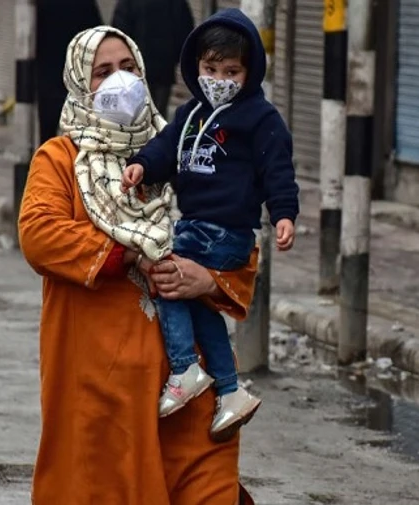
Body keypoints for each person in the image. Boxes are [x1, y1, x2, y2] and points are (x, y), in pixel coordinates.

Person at [19, 25, 258, 504]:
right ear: (79, 84)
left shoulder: (186, 150)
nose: (120, 80)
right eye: (102, 72)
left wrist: (205, 279)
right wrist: (131, 252)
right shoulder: (60, 160)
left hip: (192, 389)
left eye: (128, 68)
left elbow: (234, 234)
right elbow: (39, 235)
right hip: (103, 394)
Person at [121, 9, 299, 440]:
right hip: (195, 225)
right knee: (198, 304)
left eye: (232, 71)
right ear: (196, 67)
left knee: (165, 276)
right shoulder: (190, 115)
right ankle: (231, 391)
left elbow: (278, 171)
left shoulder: (260, 118)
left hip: (225, 231)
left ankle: (184, 368)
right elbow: (164, 148)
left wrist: (284, 215)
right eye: (211, 69)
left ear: (249, 71)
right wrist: (142, 166)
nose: (220, 79)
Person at [111, 0, 195, 118]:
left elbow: (119, 30)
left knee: (137, 110)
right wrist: (176, 57)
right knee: (159, 112)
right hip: (164, 64)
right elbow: (185, 29)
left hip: (137, 64)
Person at [35, 0, 102, 144]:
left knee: (48, 133)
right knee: (79, 132)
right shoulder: (85, 4)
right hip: (76, 75)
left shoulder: (42, 5)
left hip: (49, 74)